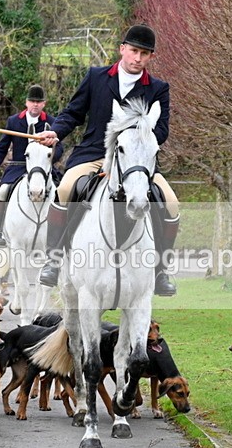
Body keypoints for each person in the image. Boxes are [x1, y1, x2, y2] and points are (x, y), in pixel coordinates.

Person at [36, 24, 180, 296]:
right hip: (94, 154)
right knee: (65, 189)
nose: (138, 58)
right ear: (122, 49)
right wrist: (56, 132)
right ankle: (53, 261)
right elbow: (73, 113)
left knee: (171, 203)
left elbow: (161, 131)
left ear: (151, 56)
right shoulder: (96, 77)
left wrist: (135, 137)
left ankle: (161, 271)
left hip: (136, 161)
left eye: (144, 54)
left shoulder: (158, 88)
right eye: (134, 51)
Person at [0, 84, 63, 247]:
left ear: (44, 104)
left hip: (43, 167)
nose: (35, 104)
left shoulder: (52, 122)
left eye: (39, 102)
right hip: (19, 166)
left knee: (61, 192)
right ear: (26, 102)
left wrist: (49, 156)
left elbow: (59, 148)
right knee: (3, 190)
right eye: (32, 101)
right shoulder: (14, 121)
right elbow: (1, 147)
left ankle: (61, 233)